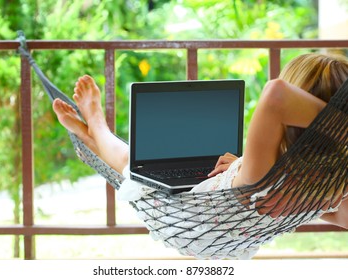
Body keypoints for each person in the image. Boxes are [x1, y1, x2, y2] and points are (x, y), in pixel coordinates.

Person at [52, 53, 348, 258]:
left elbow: (275, 95)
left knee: (132, 164)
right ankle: (90, 135)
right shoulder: (324, 187)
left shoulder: (265, 174)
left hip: (185, 217)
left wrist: (335, 125)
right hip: (227, 205)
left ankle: (96, 125)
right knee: (142, 165)